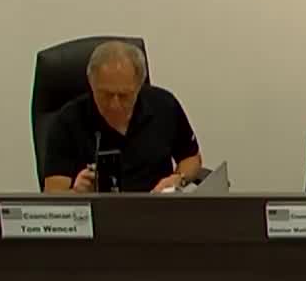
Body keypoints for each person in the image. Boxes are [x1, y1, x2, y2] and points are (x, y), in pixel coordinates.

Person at [42, 41, 202, 193]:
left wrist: (178, 179)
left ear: (139, 86)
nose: (115, 105)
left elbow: (191, 158)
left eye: (124, 96)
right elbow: (53, 194)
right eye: (106, 95)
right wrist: (78, 193)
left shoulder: (164, 105)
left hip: (155, 206)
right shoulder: (67, 121)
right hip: (99, 210)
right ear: (91, 84)